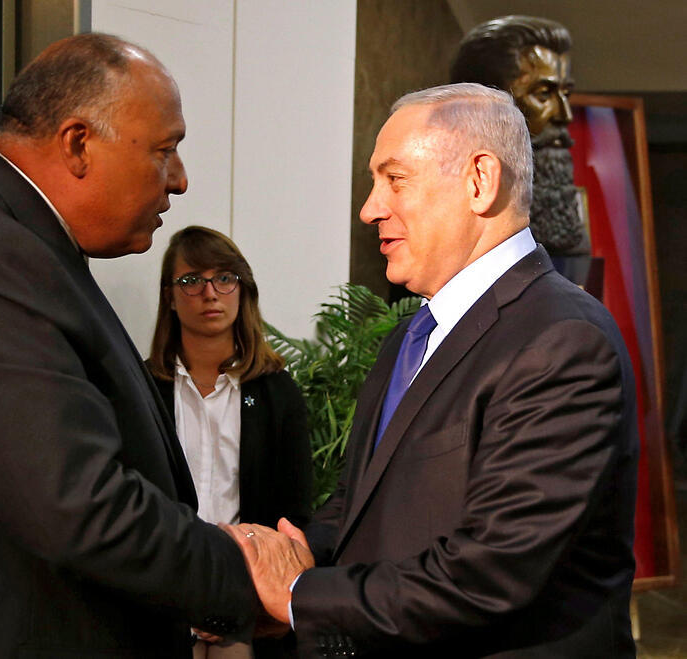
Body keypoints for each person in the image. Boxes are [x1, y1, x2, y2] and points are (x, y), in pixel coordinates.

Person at [0, 33, 257, 658]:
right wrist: (248, 580)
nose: (180, 179)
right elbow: (80, 505)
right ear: (78, 143)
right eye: (164, 150)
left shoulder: (18, 246)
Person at [223, 83, 638, 657]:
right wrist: (295, 556)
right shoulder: (412, 334)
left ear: (479, 181)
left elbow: (491, 571)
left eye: (395, 179)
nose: (370, 208)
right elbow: (362, 501)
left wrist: (301, 595)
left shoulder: (563, 341)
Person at [148, 225, 313, 658]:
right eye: (191, 280)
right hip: (158, 591)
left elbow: (293, 513)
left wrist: (254, 598)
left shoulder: (277, 393)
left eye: (224, 278)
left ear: (243, 291)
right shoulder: (142, 390)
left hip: (245, 590)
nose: (210, 293)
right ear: (170, 297)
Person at [450, 15, 582, 255]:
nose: (565, 115)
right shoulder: (444, 215)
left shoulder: (568, 217)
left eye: (565, 94)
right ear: (483, 106)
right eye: (543, 94)